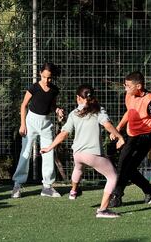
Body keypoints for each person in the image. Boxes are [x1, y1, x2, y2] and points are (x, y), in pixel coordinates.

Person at [41, 84, 125, 218]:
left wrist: (49, 147)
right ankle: (103, 210)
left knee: (78, 168)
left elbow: (64, 133)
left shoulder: (74, 113)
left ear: (78, 98)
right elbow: (107, 125)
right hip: (92, 154)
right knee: (113, 176)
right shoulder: (98, 110)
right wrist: (120, 137)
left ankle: (73, 191)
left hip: (78, 154)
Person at [109, 71, 151, 207]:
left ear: (138, 86)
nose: (125, 88)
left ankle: (116, 196)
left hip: (146, 137)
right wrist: (118, 127)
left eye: (128, 85)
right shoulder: (129, 95)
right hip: (132, 135)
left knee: (127, 166)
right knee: (124, 165)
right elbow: (129, 111)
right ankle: (150, 190)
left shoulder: (150, 101)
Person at [11, 62, 64, 198]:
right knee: (26, 152)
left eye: (50, 78)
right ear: (40, 74)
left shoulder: (54, 90)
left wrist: (57, 110)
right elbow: (23, 105)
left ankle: (47, 187)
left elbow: (52, 106)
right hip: (31, 122)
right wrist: (23, 125)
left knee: (48, 153)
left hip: (46, 123)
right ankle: (17, 184)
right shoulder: (34, 88)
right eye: (45, 77)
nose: (47, 80)